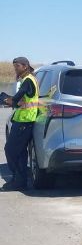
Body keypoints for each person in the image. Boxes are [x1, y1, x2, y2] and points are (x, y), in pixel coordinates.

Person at [2, 57, 40, 191]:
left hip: (24, 122)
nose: (15, 69)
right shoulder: (30, 79)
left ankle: (18, 180)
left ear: (25, 66)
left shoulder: (28, 80)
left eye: (17, 66)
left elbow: (15, 99)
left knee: (10, 150)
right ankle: (21, 181)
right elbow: (21, 100)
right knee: (21, 152)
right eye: (14, 66)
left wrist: (5, 99)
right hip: (24, 120)